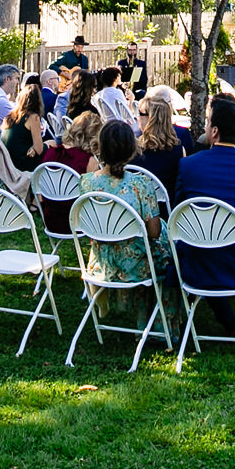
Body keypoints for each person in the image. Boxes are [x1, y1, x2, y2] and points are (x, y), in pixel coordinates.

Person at [174, 96, 235, 337]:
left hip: (196, 261)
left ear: (215, 132)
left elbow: (179, 213)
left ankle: (230, 323)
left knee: (209, 242)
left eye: (208, 122)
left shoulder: (189, 167)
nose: (206, 127)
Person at [79, 120, 174, 322]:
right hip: (135, 265)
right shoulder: (140, 184)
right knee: (170, 257)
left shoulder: (85, 182)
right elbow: (154, 233)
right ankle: (159, 323)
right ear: (132, 150)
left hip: (100, 261)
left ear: (101, 146)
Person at [133, 92, 188, 202]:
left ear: (150, 119)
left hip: (138, 212)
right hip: (169, 212)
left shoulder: (132, 151)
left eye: (139, 113)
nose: (136, 117)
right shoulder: (179, 151)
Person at [1, 84, 46, 174]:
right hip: (21, 164)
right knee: (52, 144)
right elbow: (39, 149)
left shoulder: (10, 116)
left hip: (6, 162)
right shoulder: (33, 117)